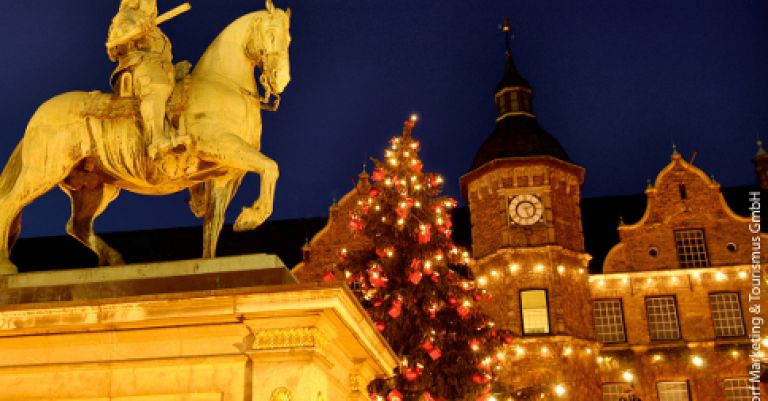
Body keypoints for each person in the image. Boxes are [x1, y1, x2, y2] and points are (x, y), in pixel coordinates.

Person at [107, 0, 176, 158]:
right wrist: (135, 30)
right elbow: (114, 45)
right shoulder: (125, 16)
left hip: (161, 67)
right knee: (156, 88)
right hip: (138, 64)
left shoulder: (157, 31)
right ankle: (156, 139)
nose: (151, 5)